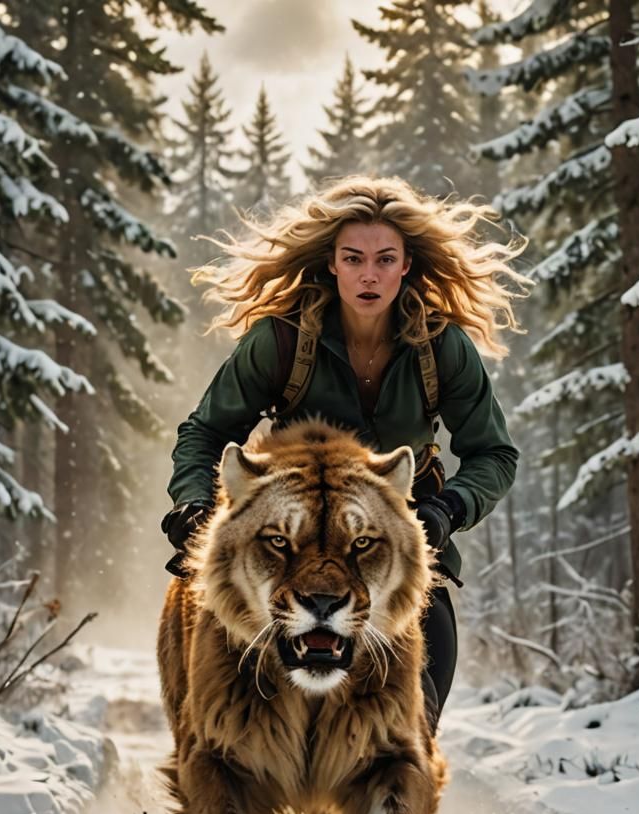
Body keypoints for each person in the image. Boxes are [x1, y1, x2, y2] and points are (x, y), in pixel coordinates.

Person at [161, 174, 529, 730]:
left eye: (385, 260)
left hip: (394, 558)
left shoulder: (442, 347)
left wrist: (445, 511)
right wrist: (194, 506)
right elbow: (204, 434)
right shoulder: (281, 341)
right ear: (332, 263)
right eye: (354, 259)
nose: (369, 275)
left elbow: (494, 455)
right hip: (284, 552)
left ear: (407, 265)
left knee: (417, 721)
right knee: (227, 726)